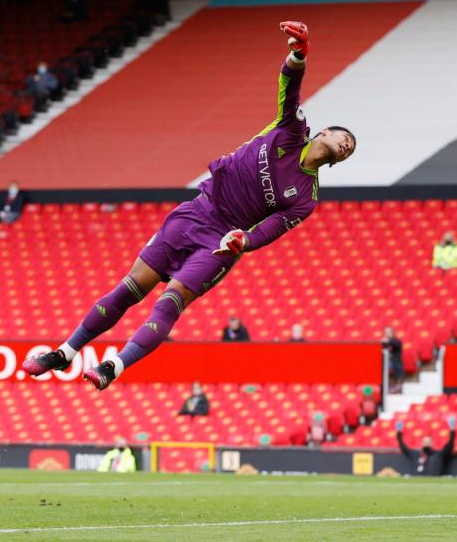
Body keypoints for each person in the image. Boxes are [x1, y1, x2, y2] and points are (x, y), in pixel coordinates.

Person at [22, 21, 356, 389]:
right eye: (345, 138)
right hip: (196, 211)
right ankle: (65, 353)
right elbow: (289, 87)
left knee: (169, 301)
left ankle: (113, 366)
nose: (346, 145)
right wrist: (299, 53)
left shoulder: (307, 198)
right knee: (131, 287)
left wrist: (244, 241)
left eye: (349, 150)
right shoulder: (292, 129)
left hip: (221, 241)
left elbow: (270, 229)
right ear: (324, 131)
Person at [381, 326, 403, 392]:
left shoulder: (396, 341)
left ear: (392, 333)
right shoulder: (383, 343)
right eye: (386, 332)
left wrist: (388, 340)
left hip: (395, 364)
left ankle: (396, 386)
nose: (387, 334)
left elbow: (396, 344)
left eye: (388, 332)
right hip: (385, 364)